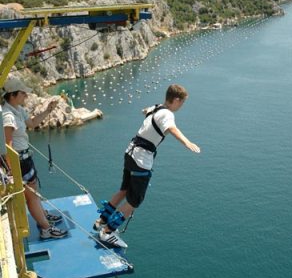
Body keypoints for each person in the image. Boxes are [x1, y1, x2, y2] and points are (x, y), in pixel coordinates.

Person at [93, 84, 200, 248]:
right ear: (176, 100)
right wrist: (187, 142)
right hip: (141, 160)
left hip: (130, 152)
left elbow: (145, 110)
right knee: (134, 202)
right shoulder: (167, 114)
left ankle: (101, 220)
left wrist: (147, 114)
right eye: (182, 102)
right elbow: (171, 128)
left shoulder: (157, 107)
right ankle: (107, 232)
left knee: (124, 190)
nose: (182, 106)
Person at [1, 76, 68, 239]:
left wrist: (47, 110)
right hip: (19, 161)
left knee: (34, 191)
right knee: (30, 196)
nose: (26, 96)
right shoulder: (8, 115)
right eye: (23, 93)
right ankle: (46, 228)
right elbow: (8, 145)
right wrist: (11, 171)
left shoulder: (18, 110)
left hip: (25, 158)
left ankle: (42, 216)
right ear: (12, 95)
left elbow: (32, 124)